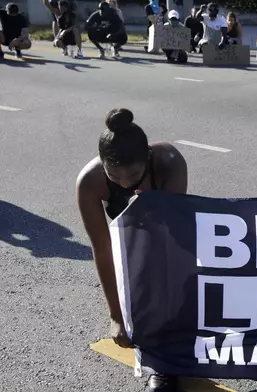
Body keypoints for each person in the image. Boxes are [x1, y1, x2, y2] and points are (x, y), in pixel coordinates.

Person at [76, 108, 188, 392]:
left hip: (167, 235)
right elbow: (102, 249)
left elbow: (169, 240)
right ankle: (157, 361)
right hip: (124, 238)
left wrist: (151, 206)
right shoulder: (89, 182)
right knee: (135, 286)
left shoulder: (169, 162)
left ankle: (166, 360)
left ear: (147, 159)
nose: (126, 183)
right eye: (115, 177)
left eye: (135, 175)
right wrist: (116, 316)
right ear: (102, 165)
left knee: (163, 278)